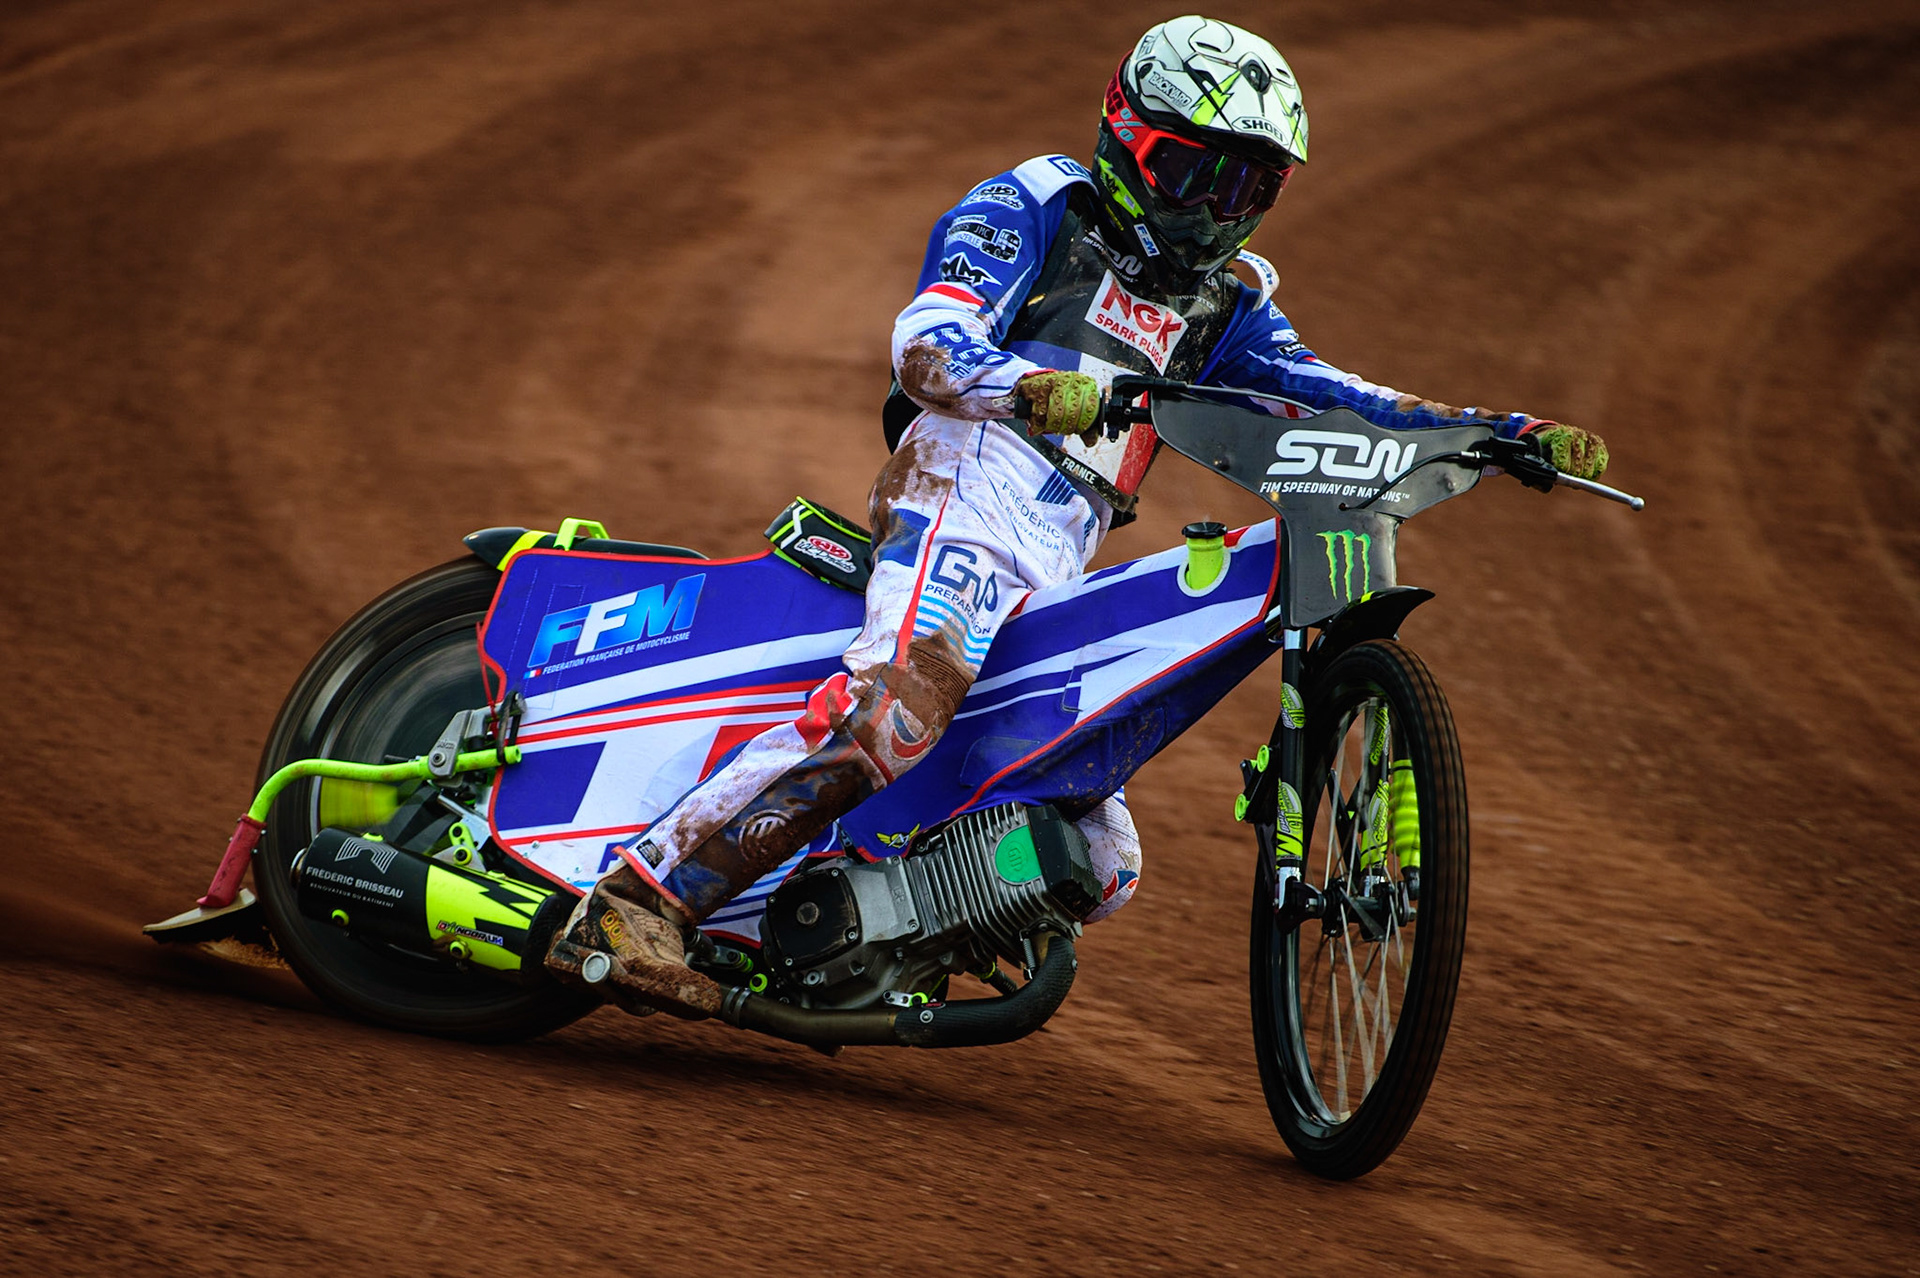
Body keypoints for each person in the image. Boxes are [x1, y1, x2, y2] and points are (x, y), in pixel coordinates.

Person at [544, 14, 1609, 1018]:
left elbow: (1340, 397)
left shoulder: (1227, 306)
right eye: (1193, 170)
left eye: (1246, 185)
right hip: (967, 483)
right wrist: (1027, 385)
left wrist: (1497, 429)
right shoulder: (1038, 209)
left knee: (1100, 867)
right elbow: (927, 341)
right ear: (1125, 134)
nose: (1211, 208)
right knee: (894, 707)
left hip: (1059, 550)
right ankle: (639, 902)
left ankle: (842, 932)